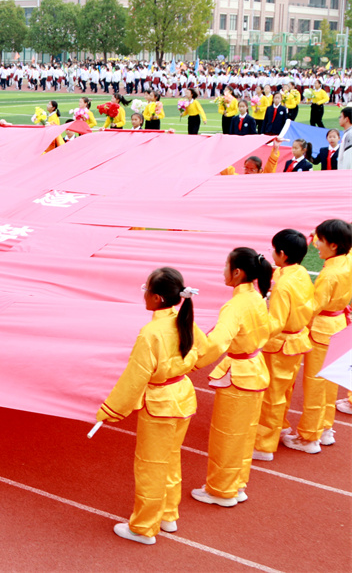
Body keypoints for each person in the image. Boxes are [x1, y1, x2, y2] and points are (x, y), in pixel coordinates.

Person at [97, 268, 205, 545]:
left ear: (156, 298)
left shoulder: (151, 333)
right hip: (182, 395)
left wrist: (110, 410)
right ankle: (168, 514)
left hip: (160, 404)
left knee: (150, 466)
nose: (143, 293)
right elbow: (205, 350)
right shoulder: (185, 320)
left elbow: (135, 377)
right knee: (170, 459)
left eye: (145, 289)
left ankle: (144, 527)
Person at [192, 248, 272, 507]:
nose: (223, 271)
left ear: (237, 272)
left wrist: (192, 363)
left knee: (227, 435)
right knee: (245, 434)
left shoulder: (235, 305)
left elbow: (216, 344)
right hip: (254, 368)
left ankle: (220, 489)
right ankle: (236, 484)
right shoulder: (257, 297)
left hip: (239, 374)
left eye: (225, 266)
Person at [282, 219, 352, 453]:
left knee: (314, 385)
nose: (315, 245)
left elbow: (313, 305)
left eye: (319, 240)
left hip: (322, 329)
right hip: (338, 324)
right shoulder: (346, 259)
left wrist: (292, 305)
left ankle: (308, 437)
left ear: (333, 245)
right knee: (329, 384)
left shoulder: (330, 274)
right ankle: (324, 428)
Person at [252, 231, 315, 461]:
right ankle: (280, 426)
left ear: (282, 253)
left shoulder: (282, 286)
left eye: (274, 250)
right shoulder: (300, 272)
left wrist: (254, 331)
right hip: (296, 340)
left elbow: (275, 323)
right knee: (284, 390)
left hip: (280, 344)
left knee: (271, 395)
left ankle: (264, 444)